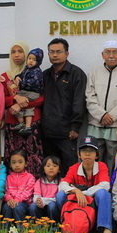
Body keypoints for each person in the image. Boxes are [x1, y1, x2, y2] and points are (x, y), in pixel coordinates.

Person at [86, 40, 117, 174]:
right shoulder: (94, 72)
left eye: (115, 52)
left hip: (115, 124)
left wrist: (112, 116)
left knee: (112, 158)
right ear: (102, 55)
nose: (111, 55)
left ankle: (109, 186)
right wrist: (102, 115)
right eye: (108, 52)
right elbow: (89, 97)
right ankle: (94, 186)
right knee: (94, 156)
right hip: (95, 123)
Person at [42, 38, 87, 177]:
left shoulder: (76, 74)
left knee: (69, 169)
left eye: (58, 52)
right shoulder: (45, 75)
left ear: (67, 53)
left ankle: (68, 196)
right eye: (51, 52)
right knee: (50, 170)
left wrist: (75, 126)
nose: (55, 55)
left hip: (67, 132)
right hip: (47, 131)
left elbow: (79, 102)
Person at [56, 136, 114, 233]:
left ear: (96, 155)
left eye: (91, 151)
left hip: (93, 202)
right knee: (60, 195)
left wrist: (84, 193)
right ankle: (66, 228)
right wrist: (76, 191)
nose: (87, 154)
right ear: (79, 154)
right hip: (78, 203)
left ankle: (106, 232)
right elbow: (62, 185)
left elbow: (105, 185)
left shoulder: (101, 166)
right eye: (84, 151)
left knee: (103, 194)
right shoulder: (74, 168)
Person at [2, 41, 44, 178]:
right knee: (14, 158)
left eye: (20, 51)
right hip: (13, 123)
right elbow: (2, 99)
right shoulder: (4, 76)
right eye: (13, 52)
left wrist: (20, 103)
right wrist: (14, 100)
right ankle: (13, 194)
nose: (16, 55)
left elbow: (41, 98)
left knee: (33, 157)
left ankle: (33, 193)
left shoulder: (36, 74)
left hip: (32, 122)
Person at [12, 48, 44, 136]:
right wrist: (17, 77)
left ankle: (27, 126)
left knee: (28, 108)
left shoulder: (37, 71)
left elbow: (33, 83)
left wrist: (21, 82)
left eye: (34, 60)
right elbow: (21, 75)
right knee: (19, 104)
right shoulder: (27, 69)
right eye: (29, 58)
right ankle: (21, 123)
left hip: (32, 93)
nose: (31, 61)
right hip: (25, 92)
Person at [2, 149, 36, 222]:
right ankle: (6, 230)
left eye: (20, 162)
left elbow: (28, 192)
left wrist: (17, 200)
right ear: (10, 165)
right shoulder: (8, 177)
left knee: (18, 207)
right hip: (11, 201)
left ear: (26, 163)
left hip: (24, 203)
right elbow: (6, 191)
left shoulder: (30, 177)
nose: (17, 165)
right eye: (14, 162)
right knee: (6, 207)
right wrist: (9, 199)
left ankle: (21, 229)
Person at [29, 156, 61, 222]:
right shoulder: (39, 182)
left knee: (52, 206)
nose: (51, 168)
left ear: (59, 169)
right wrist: (38, 201)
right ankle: (37, 227)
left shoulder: (61, 182)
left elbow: (58, 199)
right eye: (48, 166)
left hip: (53, 208)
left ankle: (53, 226)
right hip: (41, 206)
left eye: (54, 166)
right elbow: (36, 196)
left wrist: (44, 201)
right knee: (33, 206)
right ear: (43, 168)